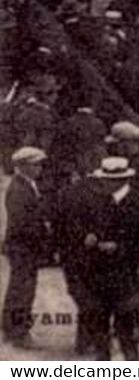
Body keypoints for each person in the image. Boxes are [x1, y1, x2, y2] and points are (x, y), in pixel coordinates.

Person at [62, 156, 139, 360]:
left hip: (126, 278)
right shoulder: (99, 200)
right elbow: (84, 227)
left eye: (108, 181)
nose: (103, 185)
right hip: (98, 276)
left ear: (120, 181)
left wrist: (118, 247)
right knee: (100, 335)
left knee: (128, 335)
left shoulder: (138, 203)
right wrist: (88, 237)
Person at [3, 148, 49, 348]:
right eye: (35, 164)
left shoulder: (25, 185)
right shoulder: (19, 189)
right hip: (24, 245)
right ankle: (19, 332)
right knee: (23, 289)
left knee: (19, 287)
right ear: (23, 166)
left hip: (22, 245)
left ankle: (10, 326)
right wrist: (43, 230)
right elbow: (22, 223)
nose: (39, 168)